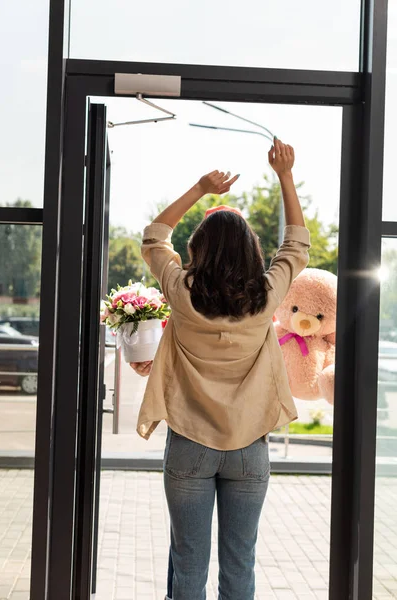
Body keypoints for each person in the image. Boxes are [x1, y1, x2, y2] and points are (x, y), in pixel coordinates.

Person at [130, 138, 310, 600]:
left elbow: (155, 235)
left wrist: (200, 188)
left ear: (200, 248)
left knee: (188, 566)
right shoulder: (265, 298)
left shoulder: (182, 293)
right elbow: (296, 245)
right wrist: (285, 175)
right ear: (251, 250)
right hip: (250, 451)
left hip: (190, 445)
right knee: (240, 565)